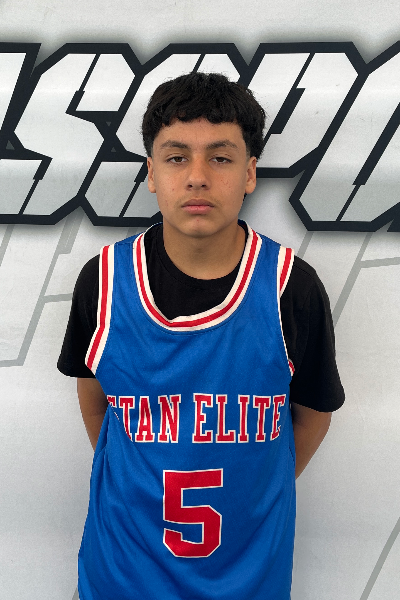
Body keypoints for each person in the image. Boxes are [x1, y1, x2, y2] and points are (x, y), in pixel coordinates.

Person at [58, 72, 344, 600]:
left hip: (247, 581)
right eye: (175, 157)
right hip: (121, 576)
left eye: (220, 158)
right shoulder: (104, 281)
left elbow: (312, 417)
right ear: (151, 173)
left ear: (250, 172)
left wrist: (249, 495)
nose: (196, 177)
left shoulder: (290, 288)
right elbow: (97, 402)